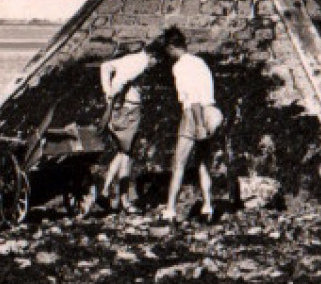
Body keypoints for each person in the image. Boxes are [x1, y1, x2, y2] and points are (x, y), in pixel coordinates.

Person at [159, 27, 222, 224]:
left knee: (179, 165)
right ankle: (208, 206)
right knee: (202, 163)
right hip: (213, 112)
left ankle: (170, 210)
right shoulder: (200, 62)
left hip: (195, 115)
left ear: (171, 47)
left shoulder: (180, 66)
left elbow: (193, 98)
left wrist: (198, 125)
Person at [88, 41, 154, 214]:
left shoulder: (129, 59)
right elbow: (121, 82)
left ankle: (115, 194)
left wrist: (106, 93)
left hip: (122, 110)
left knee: (123, 153)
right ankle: (112, 193)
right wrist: (110, 98)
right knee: (126, 155)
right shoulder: (142, 63)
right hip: (129, 110)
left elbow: (105, 66)